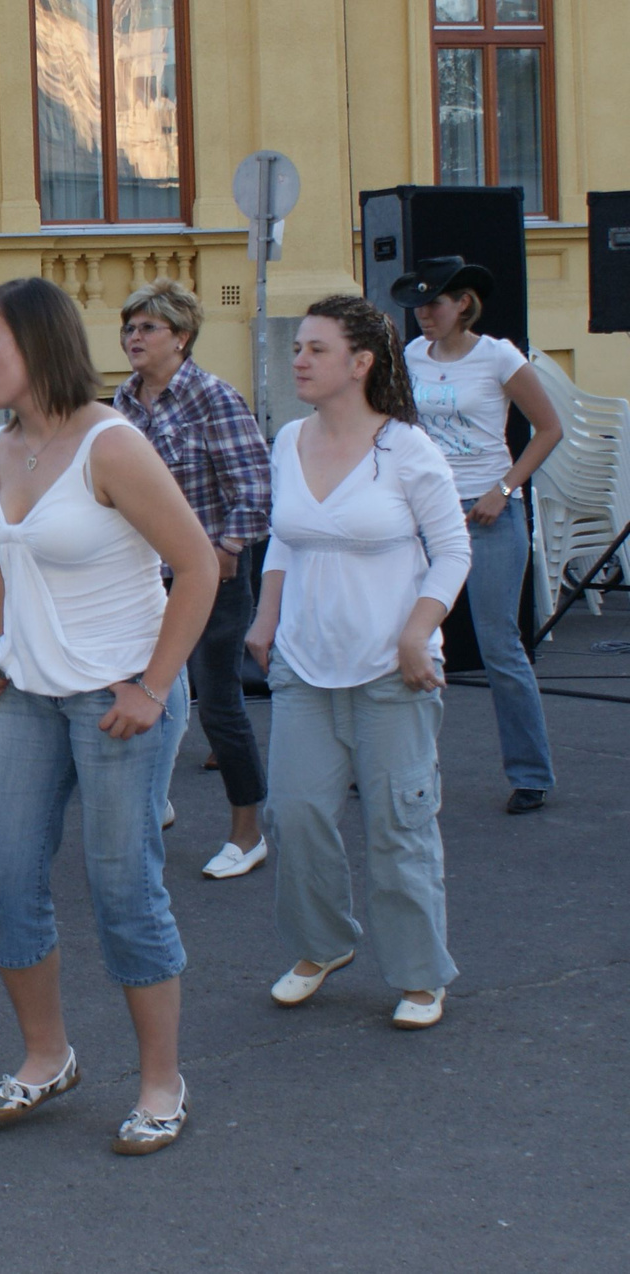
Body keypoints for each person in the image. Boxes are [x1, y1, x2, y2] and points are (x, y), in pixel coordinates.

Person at [0, 277, 216, 1155]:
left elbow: (199, 566)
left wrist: (152, 686)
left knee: (122, 890)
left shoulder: (112, 446)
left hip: (118, 699)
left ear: (39, 344)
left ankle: (161, 1081)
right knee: (2, 879)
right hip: (27, 698)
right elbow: (6, 547)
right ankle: (47, 1058)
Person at [245, 294, 471, 1031]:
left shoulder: (407, 450)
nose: (299, 359)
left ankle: (418, 974)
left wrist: (417, 634)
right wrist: (267, 616)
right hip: (304, 667)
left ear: (361, 363)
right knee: (298, 813)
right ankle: (321, 946)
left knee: (398, 829)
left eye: (315, 349)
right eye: (298, 348)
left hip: (390, 672)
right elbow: (285, 538)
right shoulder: (290, 442)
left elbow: (454, 552)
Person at [112, 279, 273, 880]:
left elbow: (256, 486)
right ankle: (153, 806)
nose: (133, 337)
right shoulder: (123, 403)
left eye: (147, 327)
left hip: (209, 574)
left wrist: (227, 548)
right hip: (142, 578)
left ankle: (247, 830)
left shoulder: (213, 397)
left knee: (218, 702)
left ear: (181, 337)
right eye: (129, 327)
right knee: (142, 691)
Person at [393, 256, 561, 814]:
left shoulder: (498, 355)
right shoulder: (413, 354)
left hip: (488, 514)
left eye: (434, 304)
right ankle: (399, 764)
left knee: (499, 645)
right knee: (406, 639)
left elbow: (549, 427)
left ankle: (531, 773)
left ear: (462, 303)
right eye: (417, 305)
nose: (423, 316)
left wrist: (505, 489)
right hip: (426, 513)